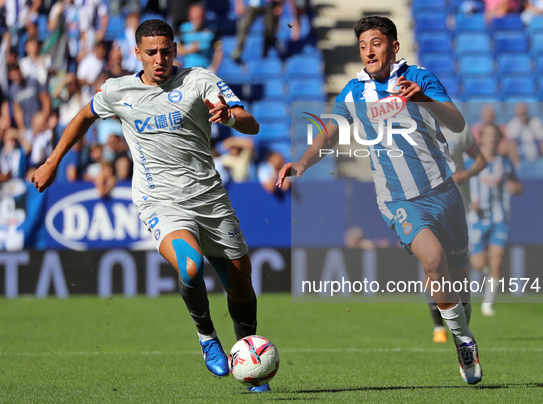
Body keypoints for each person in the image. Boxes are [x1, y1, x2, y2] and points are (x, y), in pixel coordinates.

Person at [32, 19, 267, 393]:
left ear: (176, 50)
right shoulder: (117, 91)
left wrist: (232, 117)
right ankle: (206, 336)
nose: (160, 59)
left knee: (240, 287)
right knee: (189, 267)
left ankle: (251, 361)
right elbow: (82, 117)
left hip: (210, 199)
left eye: (167, 51)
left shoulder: (198, 80)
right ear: (137, 54)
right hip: (160, 200)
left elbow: (250, 124)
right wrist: (52, 162)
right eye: (152, 53)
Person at [276, 16, 482, 385]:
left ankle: (462, 323)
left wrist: (422, 99)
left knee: (459, 275)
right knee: (433, 261)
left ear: (394, 46)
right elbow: (330, 131)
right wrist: (303, 162)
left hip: (444, 190)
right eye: (363, 45)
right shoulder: (353, 92)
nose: (368, 51)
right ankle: (463, 340)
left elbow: (456, 123)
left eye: (376, 43)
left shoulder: (418, 77)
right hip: (398, 198)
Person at [426, 123, 487, 343]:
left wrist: (465, 174)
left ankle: (461, 330)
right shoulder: (411, 125)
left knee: (458, 270)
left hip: (459, 205)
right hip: (427, 206)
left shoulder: (459, 130)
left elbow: (481, 160)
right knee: (432, 264)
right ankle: (438, 326)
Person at [467, 123, 523, 316]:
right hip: (477, 219)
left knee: (496, 262)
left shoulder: (504, 162)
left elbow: (517, 185)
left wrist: (516, 189)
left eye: (494, 135)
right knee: (478, 264)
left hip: (500, 218)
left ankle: (487, 305)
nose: (491, 139)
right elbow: (458, 184)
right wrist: (468, 203)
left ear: (499, 139)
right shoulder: (470, 160)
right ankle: (488, 275)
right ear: (481, 138)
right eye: (488, 135)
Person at [176, 2, 223, 73]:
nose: (199, 20)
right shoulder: (184, 29)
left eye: (201, 17)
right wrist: (190, 49)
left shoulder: (212, 30)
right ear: (190, 17)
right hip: (188, 68)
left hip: (205, 69)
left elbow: (219, 51)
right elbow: (177, 50)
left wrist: (213, 68)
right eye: (196, 17)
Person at [505, 102, 543, 169]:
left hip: (538, 158)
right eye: (520, 114)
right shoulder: (512, 124)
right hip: (521, 159)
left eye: (524, 113)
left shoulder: (536, 122)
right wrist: (516, 164)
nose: (522, 116)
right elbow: (511, 146)